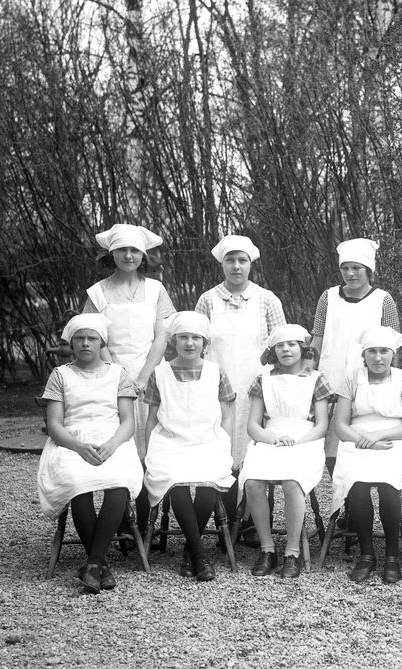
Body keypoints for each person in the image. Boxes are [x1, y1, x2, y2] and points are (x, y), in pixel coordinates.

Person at [36, 313, 143, 594]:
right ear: (71, 343)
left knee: (119, 480)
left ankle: (93, 563)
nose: (86, 343)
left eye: (92, 338)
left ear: (101, 342)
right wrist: (79, 447)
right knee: (77, 482)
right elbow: (54, 425)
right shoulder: (60, 375)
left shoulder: (118, 373)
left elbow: (128, 422)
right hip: (71, 441)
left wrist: (112, 444)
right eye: (80, 338)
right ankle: (99, 565)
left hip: (112, 439)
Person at [81, 223, 176, 526]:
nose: (128, 255)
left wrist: (145, 376)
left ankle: (147, 520)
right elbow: (93, 336)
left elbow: (162, 337)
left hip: (152, 376)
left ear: (143, 255)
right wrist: (118, 377)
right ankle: (122, 519)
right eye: (122, 249)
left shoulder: (156, 290)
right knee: (121, 444)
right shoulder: (97, 292)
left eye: (134, 250)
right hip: (110, 377)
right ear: (111, 254)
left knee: (152, 443)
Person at [194, 234, 287, 538]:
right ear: (222, 264)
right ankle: (224, 526)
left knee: (254, 453)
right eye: (230, 260)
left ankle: (251, 525)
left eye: (242, 260)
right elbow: (197, 345)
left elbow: (282, 346)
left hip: (256, 390)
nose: (236, 266)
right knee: (221, 453)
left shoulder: (267, 299)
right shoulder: (208, 300)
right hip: (217, 389)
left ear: (251, 264)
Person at [142, 312, 236, 582]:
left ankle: (190, 551)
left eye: (196, 337)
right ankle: (199, 555)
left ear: (205, 342)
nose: (190, 343)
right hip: (169, 443)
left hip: (208, 442)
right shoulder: (159, 373)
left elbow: (226, 417)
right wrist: (148, 452)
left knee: (209, 482)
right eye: (183, 337)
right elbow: (151, 419)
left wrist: (225, 447)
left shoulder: (216, 372)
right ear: (174, 341)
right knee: (176, 481)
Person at [238, 324, 332, 580]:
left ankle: (292, 552)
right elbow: (253, 426)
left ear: (303, 349)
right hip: (270, 439)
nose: (286, 350)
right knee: (253, 481)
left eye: (291, 345)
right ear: (273, 351)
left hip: (306, 440)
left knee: (292, 481)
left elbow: (321, 426)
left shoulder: (316, 379)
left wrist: (298, 442)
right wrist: (273, 438)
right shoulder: (263, 379)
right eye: (280, 345)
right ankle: (267, 549)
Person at [331, 326, 402, 584]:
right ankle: (367, 554)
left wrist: (379, 436)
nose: (378, 357)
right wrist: (367, 442)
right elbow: (341, 426)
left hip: (395, 440)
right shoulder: (352, 379)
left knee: (387, 482)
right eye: (372, 351)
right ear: (364, 354)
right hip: (357, 441)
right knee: (357, 482)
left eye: (384, 351)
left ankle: (392, 556)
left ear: (393, 354)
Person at [310, 238, 401, 479]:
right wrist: (307, 376)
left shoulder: (383, 300)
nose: (350, 274)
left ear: (368, 269)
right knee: (332, 445)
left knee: (365, 441)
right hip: (332, 379)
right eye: (345, 268)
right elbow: (316, 340)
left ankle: (372, 493)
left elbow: (392, 347)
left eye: (356, 268)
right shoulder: (328, 298)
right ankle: (344, 498)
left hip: (368, 382)